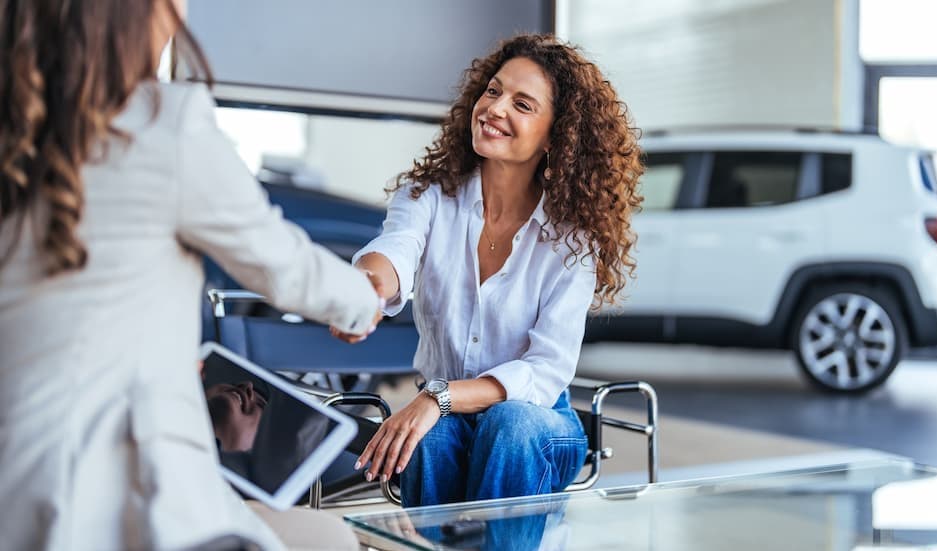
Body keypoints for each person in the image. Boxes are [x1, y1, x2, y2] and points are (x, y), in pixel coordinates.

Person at [0, 1, 376, 549]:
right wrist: (363, 302)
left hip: (16, 481)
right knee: (334, 540)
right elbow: (284, 265)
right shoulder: (159, 124)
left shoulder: (16, 128)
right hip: (118, 495)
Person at [346, 34, 643, 507]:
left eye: (522, 104)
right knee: (431, 440)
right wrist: (364, 289)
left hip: (540, 425)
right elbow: (394, 251)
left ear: (555, 134)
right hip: (445, 418)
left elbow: (545, 372)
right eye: (492, 90)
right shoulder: (428, 198)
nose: (495, 108)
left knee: (511, 425)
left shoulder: (572, 238)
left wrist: (436, 397)